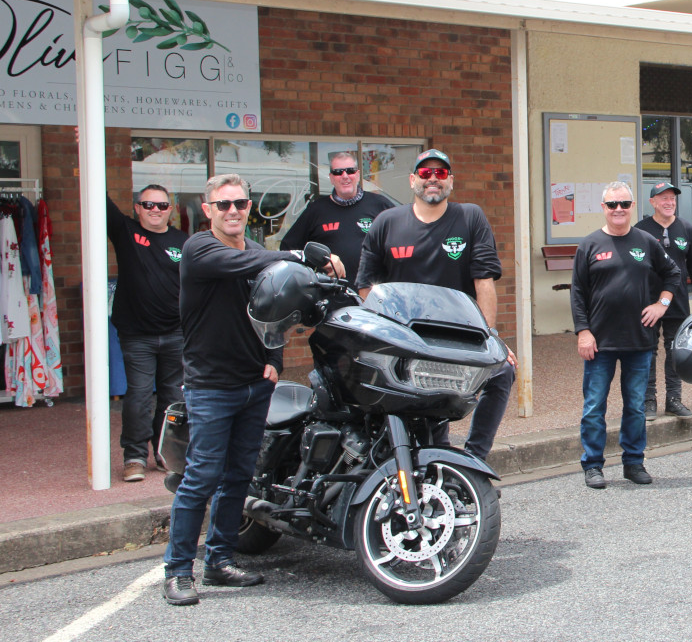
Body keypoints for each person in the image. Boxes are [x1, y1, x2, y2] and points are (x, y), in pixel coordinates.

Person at [162, 174, 344, 606]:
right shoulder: (199, 249)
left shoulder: (259, 256)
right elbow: (245, 266)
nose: (232, 211)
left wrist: (274, 363)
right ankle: (177, 572)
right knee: (200, 477)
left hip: (253, 386)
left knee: (238, 478)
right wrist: (300, 255)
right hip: (210, 387)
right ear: (207, 209)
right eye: (223, 204)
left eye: (240, 203)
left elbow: (275, 318)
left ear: (248, 208)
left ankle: (219, 562)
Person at [356, 149, 516, 461]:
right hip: (405, 338)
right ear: (413, 179)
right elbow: (365, 287)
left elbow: (484, 282)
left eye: (440, 173)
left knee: (502, 372)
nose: (433, 179)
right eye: (426, 173)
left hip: (458, 333)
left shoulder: (470, 217)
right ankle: (435, 464)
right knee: (425, 408)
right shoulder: (387, 223)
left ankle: (473, 460)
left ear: (450, 181)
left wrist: (490, 336)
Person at [571, 181, 681, 490]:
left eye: (624, 204)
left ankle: (634, 462)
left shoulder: (646, 241)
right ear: (603, 208)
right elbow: (578, 294)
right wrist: (583, 332)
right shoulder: (589, 245)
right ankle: (593, 465)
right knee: (594, 406)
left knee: (635, 405)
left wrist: (662, 304)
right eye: (612, 205)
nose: (618, 210)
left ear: (632, 207)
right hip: (599, 342)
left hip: (639, 340)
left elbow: (673, 274)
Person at [107, 185, 189, 483]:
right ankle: (134, 457)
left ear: (171, 209)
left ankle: (166, 453)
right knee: (139, 396)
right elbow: (100, 200)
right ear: (137, 208)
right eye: (148, 205)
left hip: (176, 333)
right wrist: (82, 148)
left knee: (171, 398)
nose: (155, 210)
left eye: (162, 205)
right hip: (137, 334)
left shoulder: (184, 241)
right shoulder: (125, 231)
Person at [633, 181, 692, 419]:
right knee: (648, 351)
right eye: (663, 198)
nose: (668, 202)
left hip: (677, 301)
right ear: (652, 202)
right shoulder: (640, 230)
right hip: (648, 302)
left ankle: (674, 399)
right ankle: (648, 400)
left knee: (676, 350)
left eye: (672, 198)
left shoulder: (686, 228)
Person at [280, 151, 392, 286]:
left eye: (350, 171)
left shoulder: (380, 204)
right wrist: (320, 262)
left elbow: (404, 238)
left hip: (374, 295)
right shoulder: (316, 210)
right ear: (331, 178)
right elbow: (288, 249)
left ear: (357, 174)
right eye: (338, 172)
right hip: (334, 297)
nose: (345, 176)